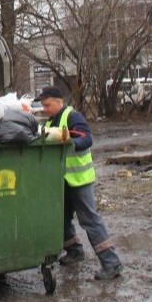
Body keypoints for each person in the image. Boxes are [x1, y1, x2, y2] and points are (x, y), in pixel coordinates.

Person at [35, 86, 123, 280]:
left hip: (80, 180)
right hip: (64, 180)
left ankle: (111, 263)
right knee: (62, 217)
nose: (45, 109)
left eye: (47, 105)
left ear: (59, 101)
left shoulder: (73, 117)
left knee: (89, 220)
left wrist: (71, 143)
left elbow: (87, 138)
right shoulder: (51, 120)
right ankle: (74, 250)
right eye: (43, 106)